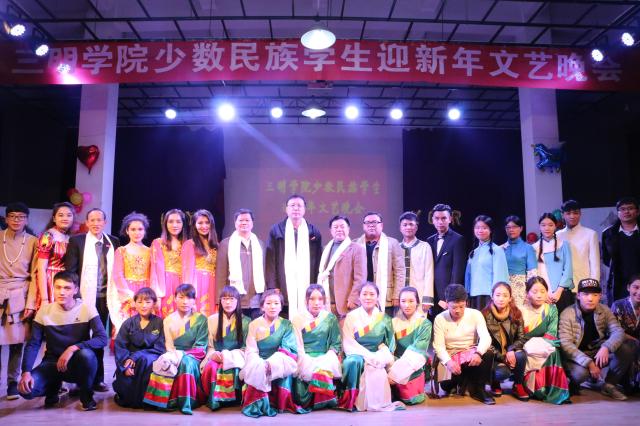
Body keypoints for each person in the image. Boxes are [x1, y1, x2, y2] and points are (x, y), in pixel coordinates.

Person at [18, 271, 107, 411]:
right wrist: (26, 372)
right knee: (25, 390)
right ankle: (53, 387)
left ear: (75, 290)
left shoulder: (86, 308)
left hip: (78, 364)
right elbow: (33, 344)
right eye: (58, 287)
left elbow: (102, 339)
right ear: (53, 288)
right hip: (52, 364)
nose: (62, 292)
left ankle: (86, 396)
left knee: (87, 355)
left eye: (67, 288)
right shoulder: (44, 311)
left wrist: (72, 348)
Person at [64, 207, 120, 392]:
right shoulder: (77, 241)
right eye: (92, 220)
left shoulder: (113, 241)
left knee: (99, 338)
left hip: (106, 298)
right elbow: (70, 271)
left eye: (99, 220)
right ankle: (77, 379)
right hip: (83, 297)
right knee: (79, 337)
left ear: (105, 222)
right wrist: (74, 297)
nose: (96, 223)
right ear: (87, 223)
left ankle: (98, 379)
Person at [559, 278, 635, 401]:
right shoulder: (568, 314)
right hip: (578, 355)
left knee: (626, 348)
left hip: (597, 351)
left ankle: (609, 385)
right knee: (580, 375)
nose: (590, 298)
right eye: (586, 294)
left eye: (595, 295)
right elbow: (565, 344)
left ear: (600, 296)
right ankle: (586, 380)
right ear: (578, 295)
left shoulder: (604, 310)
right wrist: (589, 363)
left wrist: (606, 347)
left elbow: (618, 331)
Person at [240, 289, 308, 417]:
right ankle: (259, 405)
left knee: (282, 374)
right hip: (259, 361)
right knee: (257, 370)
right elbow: (251, 349)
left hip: (280, 363)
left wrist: (270, 365)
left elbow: (288, 349)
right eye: (268, 303)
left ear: (281, 306)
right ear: (262, 306)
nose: (272, 306)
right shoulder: (254, 324)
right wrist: (260, 364)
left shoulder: (286, 325)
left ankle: (280, 404)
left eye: (276, 303)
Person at [143, 283, 208, 414]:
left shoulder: (201, 319)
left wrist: (181, 355)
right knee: (164, 361)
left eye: (189, 298)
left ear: (194, 300)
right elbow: (168, 345)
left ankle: (187, 402)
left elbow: (201, 347)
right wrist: (173, 355)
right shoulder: (168, 320)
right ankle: (163, 401)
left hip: (192, 357)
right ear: (175, 298)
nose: (185, 302)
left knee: (186, 363)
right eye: (181, 297)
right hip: (173, 354)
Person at [338, 282, 403, 412]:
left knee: (379, 365)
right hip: (356, 354)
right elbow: (348, 341)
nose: (368, 297)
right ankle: (351, 400)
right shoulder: (351, 317)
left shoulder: (384, 318)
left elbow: (390, 343)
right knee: (353, 362)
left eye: (372, 294)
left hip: (378, 355)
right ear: (359, 297)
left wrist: (382, 353)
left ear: (377, 297)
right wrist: (369, 356)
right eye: (365, 294)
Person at [432, 284, 494, 405]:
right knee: (446, 386)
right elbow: (438, 346)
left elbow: (486, 337)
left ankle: (479, 389)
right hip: (451, 355)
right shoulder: (440, 318)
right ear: (447, 304)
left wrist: (478, 353)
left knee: (488, 354)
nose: (458, 310)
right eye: (454, 307)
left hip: (470, 355)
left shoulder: (476, 314)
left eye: (461, 306)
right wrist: (448, 362)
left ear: (466, 303)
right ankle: (463, 382)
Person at [1, 202, 38, 400]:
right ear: (6, 218)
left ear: (27, 220)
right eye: (13, 216)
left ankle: (12, 382)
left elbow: (35, 274)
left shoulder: (33, 241)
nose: (17, 220)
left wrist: (31, 302)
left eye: (21, 217)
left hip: (20, 294)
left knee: (17, 342)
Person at [265, 195, 322, 318]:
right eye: (292, 205)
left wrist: (316, 285)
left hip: (307, 282)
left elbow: (318, 261)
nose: (296, 208)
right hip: (283, 283)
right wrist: (273, 286)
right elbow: (270, 261)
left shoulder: (313, 232)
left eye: (299, 206)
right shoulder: (276, 230)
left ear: (304, 209)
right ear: (286, 209)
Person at [520, 276, 570, 404]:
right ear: (527, 293)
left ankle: (552, 390)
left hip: (545, 344)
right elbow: (519, 337)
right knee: (527, 352)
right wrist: (530, 344)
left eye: (543, 291)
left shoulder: (551, 309)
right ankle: (533, 388)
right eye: (534, 291)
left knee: (553, 351)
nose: (539, 295)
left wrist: (537, 343)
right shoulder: (521, 311)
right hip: (524, 346)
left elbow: (551, 333)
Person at [199, 285, 251, 410]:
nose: (228, 302)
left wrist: (227, 356)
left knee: (233, 367)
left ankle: (234, 400)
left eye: (232, 299)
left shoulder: (246, 321)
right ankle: (215, 400)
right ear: (220, 301)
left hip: (237, 357)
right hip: (216, 355)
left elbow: (246, 347)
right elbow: (209, 345)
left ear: (238, 301)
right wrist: (213, 355)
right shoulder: (211, 320)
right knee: (211, 367)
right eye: (224, 299)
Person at [291, 284, 342, 410]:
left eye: (320, 299)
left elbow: (336, 343)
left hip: (325, 356)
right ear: (306, 301)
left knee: (323, 366)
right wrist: (304, 359)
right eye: (312, 299)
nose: (316, 303)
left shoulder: (330, 318)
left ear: (324, 301)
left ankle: (324, 400)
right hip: (304, 356)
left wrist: (329, 355)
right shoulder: (297, 319)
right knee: (300, 397)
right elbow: (296, 344)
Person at [112, 287, 164, 408]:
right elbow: (120, 346)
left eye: (148, 302)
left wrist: (136, 356)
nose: (143, 306)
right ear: (135, 303)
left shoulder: (160, 323)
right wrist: (125, 366)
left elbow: (160, 347)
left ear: (154, 304)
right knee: (126, 396)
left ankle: (147, 400)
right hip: (128, 360)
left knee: (145, 361)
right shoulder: (128, 323)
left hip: (151, 357)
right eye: (140, 302)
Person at [481, 282, 529, 401]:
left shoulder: (516, 314)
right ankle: (495, 382)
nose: (501, 299)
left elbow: (522, 337)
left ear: (510, 298)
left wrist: (511, 350)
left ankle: (518, 385)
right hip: (495, 356)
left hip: (509, 352)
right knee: (502, 373)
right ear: (492, 296)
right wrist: (503, 357)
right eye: (498, 295)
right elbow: (485, 342)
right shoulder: (484, 315)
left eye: (505, 295)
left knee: (521, 354)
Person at [216, 209, 266, 319]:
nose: (244, 223)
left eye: (247, 220)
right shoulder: (226, 244)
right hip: (234, 299)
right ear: (235, 223)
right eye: (241, 220)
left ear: (252, 223)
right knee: (237, 328)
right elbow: (221, 274)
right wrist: (219, 299)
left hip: (256, 300)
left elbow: (264, 272)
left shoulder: (260, 244)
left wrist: (264, 298)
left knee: (256, 328)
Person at [354, 212, 405, 317]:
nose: (371, 225)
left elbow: (400, 271)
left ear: (381, 225)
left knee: (385, 325)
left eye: (374, 222)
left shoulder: (392, 243)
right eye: (368, 223)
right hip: (362, 296)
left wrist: (397, 295)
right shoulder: (355, 244)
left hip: (385, 296)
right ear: (363, 226)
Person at [108, 212, 151, 332]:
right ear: (127, 231)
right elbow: (118, 275)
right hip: (127, 292)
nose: (137, 233)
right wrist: (129, 297)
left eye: (140, 229)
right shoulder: (121, 251)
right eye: (133, 229)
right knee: (127, 327)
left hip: (145, 292)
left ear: (144, 231)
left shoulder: (150, 251)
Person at [317, 215, 366, 320]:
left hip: (346, 303)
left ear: (348, 229)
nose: (339, 229)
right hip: (327, 302)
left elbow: (360, 278)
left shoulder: (357, 249)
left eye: (342, 226)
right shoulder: (325, 249)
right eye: (335, 227)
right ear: (331, 230)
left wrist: (354, 299)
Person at [388, 286, 431, 405]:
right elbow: (389, 348)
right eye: (403, 301)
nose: (407, 305)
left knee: (411, 398)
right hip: (395, 362)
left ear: (417, 302)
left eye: (411, 301)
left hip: (414, 364)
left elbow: (418, 351)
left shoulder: (425, 324)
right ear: (399, 303)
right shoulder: (393, 322)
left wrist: (395, 374)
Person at [426, 204, 466, 318]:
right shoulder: (429, 240)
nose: (440, 222)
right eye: (437, 218)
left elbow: (457, 272)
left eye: (443, 218)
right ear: (432, 220)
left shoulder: (458, 239)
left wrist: (449, 298)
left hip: (447, 297)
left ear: (450, 219)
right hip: (431, 295)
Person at [557, 200, 601, 301]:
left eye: (575, 213)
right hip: (561, 287)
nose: (572, 216)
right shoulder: (557, 235)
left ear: (580, 214)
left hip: (583, 286)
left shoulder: (590, 234)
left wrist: (593, 287)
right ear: (562, 215)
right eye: (568, 213)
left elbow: (595, 264)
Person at [531, 213, 574, 315]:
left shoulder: (563, 245)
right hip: (541, 295)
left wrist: (558, 292)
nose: (547, 228)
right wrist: (544, 293)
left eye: (550, 225)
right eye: (543, 225)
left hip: (562, 293)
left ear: (555, 226)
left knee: (565, 322)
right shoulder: (533, 248)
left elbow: (568, 270)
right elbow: (534, 273)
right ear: (539, 227)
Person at [465, 215, 509, 310]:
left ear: (491, 230)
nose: (480, 230)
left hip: (489, 296)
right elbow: (468, 277)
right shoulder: (473, 252)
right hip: (473, 296)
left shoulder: (497, 250)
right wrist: (466, 295)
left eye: (484, 228)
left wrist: (498, 296)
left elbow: (500, 276)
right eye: (477, 228)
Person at [602, 196, 640, 305]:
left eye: (630, 208)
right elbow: (606, 259)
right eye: (622, 209)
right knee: (619, 312)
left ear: (637, 212)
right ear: (618, 213)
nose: (626, 212)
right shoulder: (608, 234)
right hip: (619, 283)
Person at [36, 202, 74, 307]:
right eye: (61, 215)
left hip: (66, 281)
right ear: (54, 218)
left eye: (69, 215)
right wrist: (44, 298)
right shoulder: (48, 236)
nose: (65, 218)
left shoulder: (70, 238)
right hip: (51, 280)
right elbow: (41, 268)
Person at [151, 208, 187, 317]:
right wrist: (156, 295)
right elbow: (154, 271)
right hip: (165, 286)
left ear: (183, 224)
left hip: (183, 285)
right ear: (165, 224)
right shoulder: (158, 243)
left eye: (178, 222)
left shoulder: (188, 244)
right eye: (171, 221)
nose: (174, 225)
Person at [182, 209, 218, 316]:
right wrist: (190, 296)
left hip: (213, 285)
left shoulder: (217, 245)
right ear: (194, 225)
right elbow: (187, 273)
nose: (204, 226)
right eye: (200, 223)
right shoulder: (189, 244)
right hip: (198, 285)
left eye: (207, 223)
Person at [398, 212, 434, 313]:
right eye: (405, 225)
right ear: (400, 228)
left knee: (419, 322)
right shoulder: (396, 247)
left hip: (419, 296)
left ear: (416, 227)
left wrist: (427, 299)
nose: (408, 227)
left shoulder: (425, 246)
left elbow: (429, 273)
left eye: (411, 224)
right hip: (400, 298)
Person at [611, 274, 640, 389]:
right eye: (636, 287)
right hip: (622, 344)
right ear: (628, 287)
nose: (639, 292)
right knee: (631, 345)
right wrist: (636, 341)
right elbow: (615, 331)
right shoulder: (618, 305)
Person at [502, 215, 537, 308]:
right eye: (508, 227)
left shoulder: (528, 248)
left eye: (514, 227)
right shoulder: (500, 248)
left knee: (518, 313)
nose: (511, 230)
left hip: (520, 288)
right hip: (503, 286)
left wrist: (529, 292)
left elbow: (532, 273)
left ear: (521, 228)